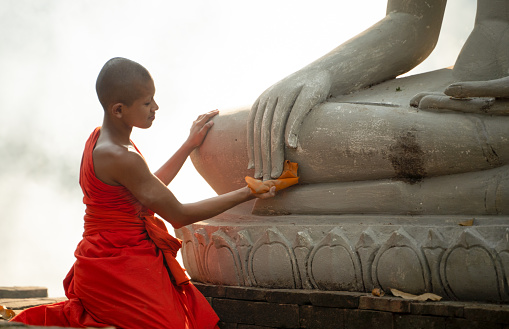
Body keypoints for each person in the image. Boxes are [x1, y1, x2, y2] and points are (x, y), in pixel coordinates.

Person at [10, 57, 276, 329]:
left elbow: (147, 188)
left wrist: (188, 146)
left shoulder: (101, 139)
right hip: (118, 265)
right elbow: (178, 214)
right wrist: (248, 191)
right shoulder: (120, 155)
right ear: (119, 110)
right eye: (147, 103)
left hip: (107, 257)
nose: (156, 108)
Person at [191, 0, 509, 215]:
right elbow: (411, 22)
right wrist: (323, 72)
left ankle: (430, 199)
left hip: (495, 109)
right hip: (451, 92)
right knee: (218, 142)